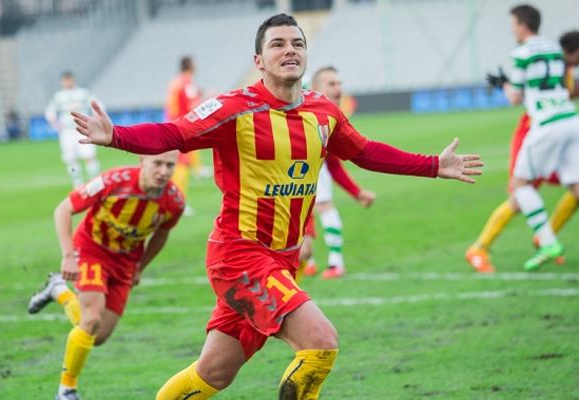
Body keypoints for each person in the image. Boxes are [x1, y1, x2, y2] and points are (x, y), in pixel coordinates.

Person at [72, 13, 482, 399]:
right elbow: (174, 133)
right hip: (239, 255)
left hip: (282, 261)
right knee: (321, 344)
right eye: (278, 44)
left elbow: (364, 151)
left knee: (214, 373)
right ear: (259, 60)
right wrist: (117, 136)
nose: (290, 50)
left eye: (298, 43)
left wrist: (432, 166)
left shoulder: (322, 111)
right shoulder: (235, 109)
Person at [27, 151, 185, 400]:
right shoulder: (114, 181)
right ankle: (66, 390)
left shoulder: (174, 202)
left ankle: (57, 289)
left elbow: (162, 234)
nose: (163, 171)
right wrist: (68, 255)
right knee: (90, 319)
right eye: (157, 163)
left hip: (126, 262)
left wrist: (140, 267)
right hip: (92, 249)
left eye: (170, 165)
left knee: (98, 336)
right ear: (142, 162)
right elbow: (64, 209)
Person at [466, 10, 579, 272]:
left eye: (513, 24)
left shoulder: (522, 53)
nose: (511, 30)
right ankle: (480, 248)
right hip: (570, 122)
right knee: (574, 187)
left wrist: (505, 84)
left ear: (522, 25)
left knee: (519, 189)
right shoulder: (555, 48)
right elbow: (565, 90)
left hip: (541, 128)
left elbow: (515, 98)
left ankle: (545, 240)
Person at [300, 66, 376, 279]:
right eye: (331, 84)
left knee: (319, 208)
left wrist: (356, 192)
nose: (339, 89)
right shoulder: (304, 112)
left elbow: (332, 162)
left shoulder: (330, 117)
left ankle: (333, 262)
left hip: (307, 169)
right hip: (289, 171)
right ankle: (312, 261)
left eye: (339, 84)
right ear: (314, 89)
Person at [165, 56, 212, 207]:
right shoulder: (187, 83)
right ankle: (176, 203)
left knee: (182, 162)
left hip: (173, 124)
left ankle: (175, 201)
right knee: (181, 165)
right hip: (182, 127)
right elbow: (193, 105)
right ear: (190, 66)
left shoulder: (176, 81)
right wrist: (209, 98)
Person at [45, 71, 103, 189]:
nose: (67, 82)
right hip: (67, 133)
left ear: (73, 80)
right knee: (71, 159)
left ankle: (94, 183)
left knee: (89, 156)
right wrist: (57, 126)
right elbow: (49, 113)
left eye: (69, 79)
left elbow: (98, 106)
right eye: (65, 80)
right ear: (62, 82)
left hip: (84, 131)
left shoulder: (83, 93)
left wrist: (94, 121)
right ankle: (78, 185)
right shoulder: (58, 96)